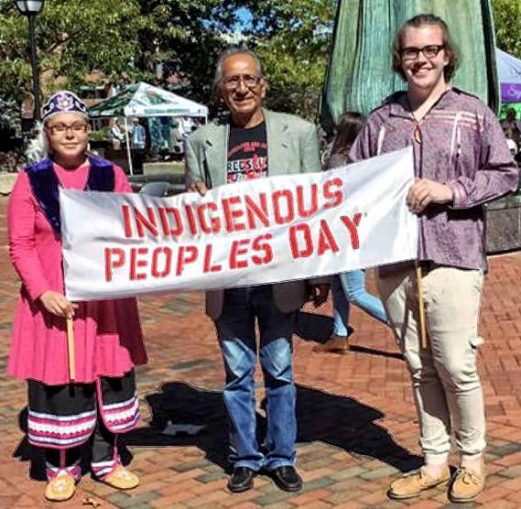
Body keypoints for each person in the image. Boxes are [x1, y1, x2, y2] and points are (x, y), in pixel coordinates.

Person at [350, 14, 518, 503]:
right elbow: (354, 180)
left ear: (446, 54)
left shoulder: (471, 112)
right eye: (410, 52)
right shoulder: (382, 120)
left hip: (454, 254)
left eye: (430, 50)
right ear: (399, 60)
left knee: (455, 364)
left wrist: (451, 190)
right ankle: (432, 460)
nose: (420, 60)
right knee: (417, 364)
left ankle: (472, 459)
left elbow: (505, 173)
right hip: (397, 259)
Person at [185, 47, 328, 494]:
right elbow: (192, 212)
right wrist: (194, 196)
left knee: (280, 370)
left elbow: (317, 207)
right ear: (220, 90)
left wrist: (319, 272)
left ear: (263, 85)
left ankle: (282, 455)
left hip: (280, 275)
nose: (241, 88)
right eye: (232, 81)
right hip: (228, 281)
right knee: (237, 375)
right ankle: (245, 457)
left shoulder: (299, 133)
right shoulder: (200, 141)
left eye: (249, 79)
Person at [7, 91, 148, 502]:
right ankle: (61, 465)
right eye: (59, 127)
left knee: (109, 374)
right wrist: (43, 291)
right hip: (55, 300)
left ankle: (107, 460)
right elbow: (21, 244)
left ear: (89, 130)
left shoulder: (111, 175)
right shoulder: (31, 179)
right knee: (62, 380)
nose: (69, 133)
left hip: (105, 302)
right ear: (48, 134)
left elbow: (132, 224)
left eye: (76, 126)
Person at [313, 112, 389, 354]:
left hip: (345, 232)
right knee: (339, 285)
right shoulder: (368, 162)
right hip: (359, 229)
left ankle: (407, 327)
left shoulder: (339, 160)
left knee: (355, 291)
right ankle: (339, 334)